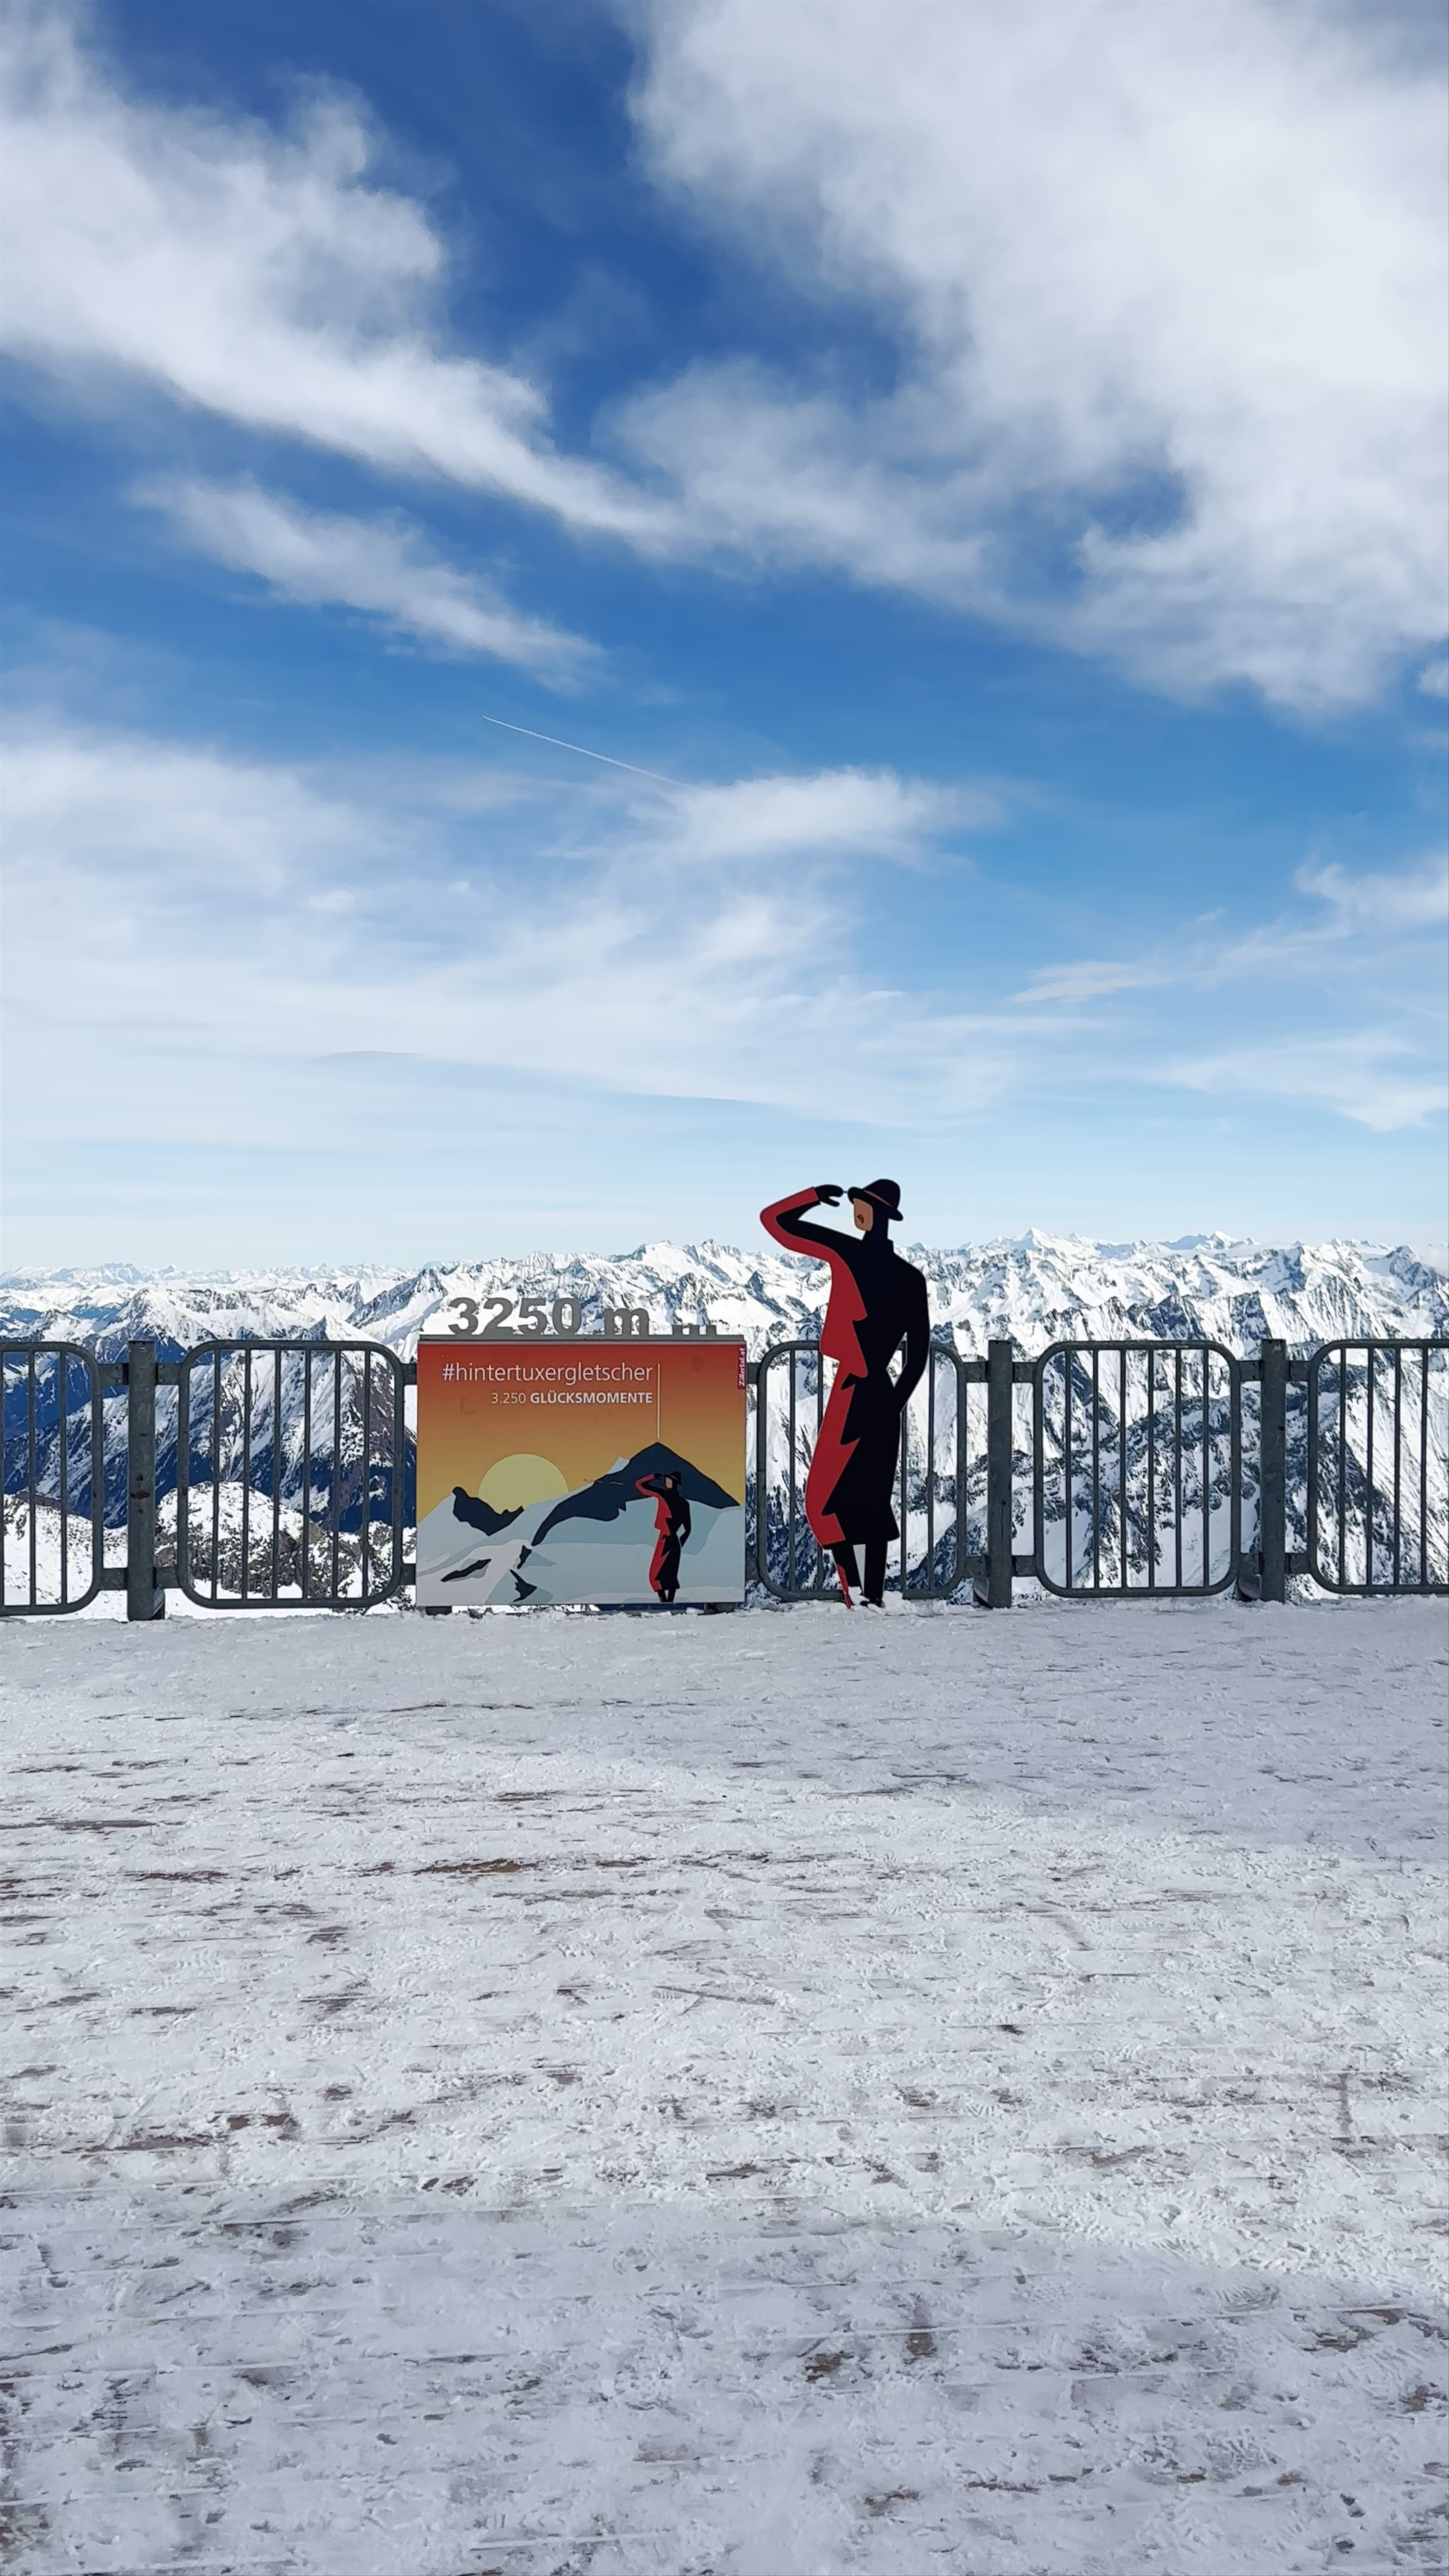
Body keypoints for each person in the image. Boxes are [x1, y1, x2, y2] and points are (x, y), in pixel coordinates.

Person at [760, 1179, 929, 1606]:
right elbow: (919, 1354)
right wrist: (894, 1403)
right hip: (882, 1394)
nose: (856, 1209)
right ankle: (868, 1594)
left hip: (852, 1389)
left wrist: (813, 1197)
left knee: (822, 1499)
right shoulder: (912, 1279)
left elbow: (774, 1222)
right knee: (871, 1499)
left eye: (862, 1203)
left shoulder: (848, 1253)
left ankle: (854, 1590)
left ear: (876, 1213)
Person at [635, 1468, 691, 1604]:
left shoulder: (665, 1496)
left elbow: (640, 1486)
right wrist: (679, 1543)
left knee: (656, 1574)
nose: (667, 1482)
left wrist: (652, 1477)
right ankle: (668, 1603)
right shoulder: (684, 1503)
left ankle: (665, 1603)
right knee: (670, 1574)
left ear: (675, 1483)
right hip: (674, 1542)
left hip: (666, 1539)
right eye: (667, 1480)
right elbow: (688, 1529)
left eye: (669, 1480)